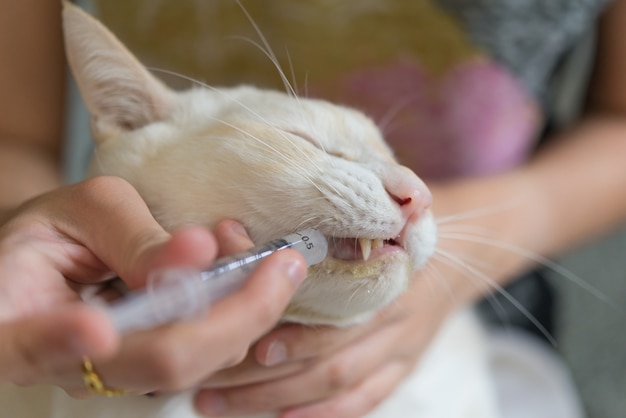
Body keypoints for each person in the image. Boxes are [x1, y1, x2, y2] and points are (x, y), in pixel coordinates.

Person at [2, 1, 626, 418]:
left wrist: (463, 259)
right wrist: (24, 226)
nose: (412, 190)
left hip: (485, 278)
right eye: (314, 146)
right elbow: (16, 139)